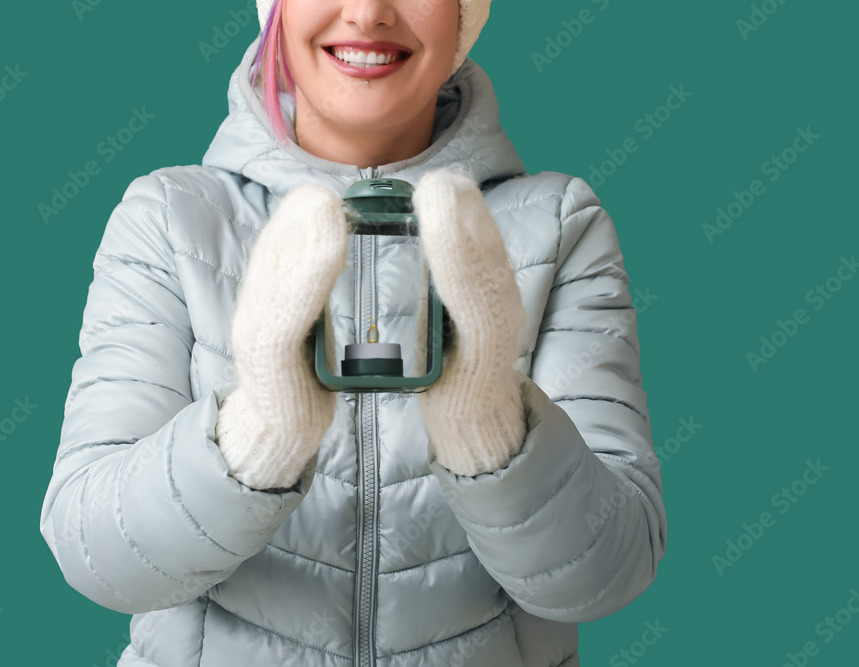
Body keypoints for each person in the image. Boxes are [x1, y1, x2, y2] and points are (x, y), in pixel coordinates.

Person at [38, 1, 668, 665]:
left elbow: (607, 575)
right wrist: (258, 436)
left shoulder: (561, 225)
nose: (367, 13)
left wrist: (491, 429)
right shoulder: (169, 219)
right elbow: (95, 555)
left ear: (464, 14)